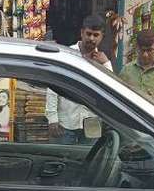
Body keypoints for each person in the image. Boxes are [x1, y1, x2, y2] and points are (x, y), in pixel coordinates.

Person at [45, 15, 112, 144]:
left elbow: (110, 90)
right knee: (62, 161)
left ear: (102, 37)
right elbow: (53, 87)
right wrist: (52, 118)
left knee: (89, 161)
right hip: (65, 123)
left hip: (92, 123)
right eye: (88, 34)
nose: (91, 38)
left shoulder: (102, 61)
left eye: (96, 35)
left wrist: (106, 64)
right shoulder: (67, 55)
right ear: (82, 33)